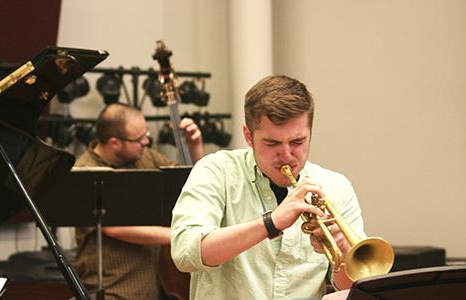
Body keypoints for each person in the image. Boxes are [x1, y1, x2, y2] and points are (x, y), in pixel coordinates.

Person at [170, 75, 366, 299]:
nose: (287, 155)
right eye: (272, 143)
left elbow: (351, 288)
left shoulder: (335, 187)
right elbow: (185, 253)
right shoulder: (216, 170)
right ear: (248, 136)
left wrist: (341, 245)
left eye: (298, 142)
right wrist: (270, 223)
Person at [73, 103, 204, 300]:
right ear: (115, 142)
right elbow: (115, 226)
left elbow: (189, 181)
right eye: (139, 139)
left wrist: (194, 146)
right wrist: (179, 235)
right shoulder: (85, 171)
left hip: (153, 284)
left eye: (146, 134)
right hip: (114, 288)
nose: (146, 142)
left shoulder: (143, 156)